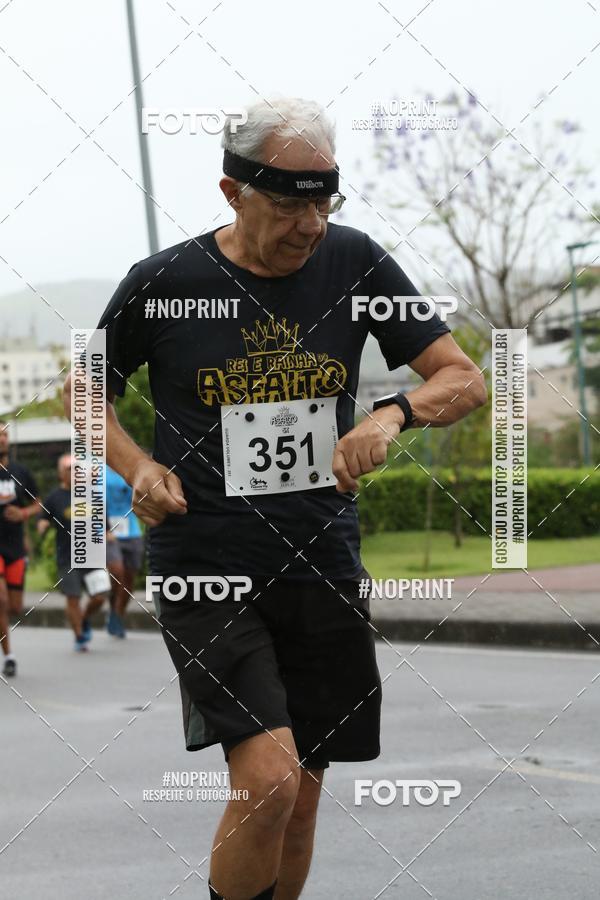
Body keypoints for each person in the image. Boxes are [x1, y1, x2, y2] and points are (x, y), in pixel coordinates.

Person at [64, 96, 487, 899]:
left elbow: (461, 377)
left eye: (324, 199)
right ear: (233, 192)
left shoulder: (357, 264)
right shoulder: (163, 281)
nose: (310, 222)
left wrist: (393, 416)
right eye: (290, 201)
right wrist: (138, 468)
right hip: (207, 564)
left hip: (321, 561)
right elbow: (83, 390)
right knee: (269, 779)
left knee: (302, 797)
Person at [37, 453, 111, 652]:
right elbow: (43, 518)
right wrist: (42, 526)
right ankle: (79, 636)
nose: (75, 472)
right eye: (70, 469)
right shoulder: (53, 498)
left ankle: (85, 618)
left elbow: (103, 521)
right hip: (67, 557)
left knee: (100, 595)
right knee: (73, 597)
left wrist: (107, 535)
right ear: (61, 473)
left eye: (77, 468)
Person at [0, 419, 41, 677]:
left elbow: (38, 503)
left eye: (4, 434)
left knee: (15, 607)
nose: (2, 439)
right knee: (0, 600)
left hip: (15, 546)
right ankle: (10, 656)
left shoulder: (20, 471)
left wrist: (24, 513)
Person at [105, 464, 145, 638]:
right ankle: (113, 610)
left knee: (129, 581)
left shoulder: (130, 468)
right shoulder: (97, 470)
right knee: (117, 572)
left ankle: (117, 615)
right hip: (109, 532)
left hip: (132, 530)